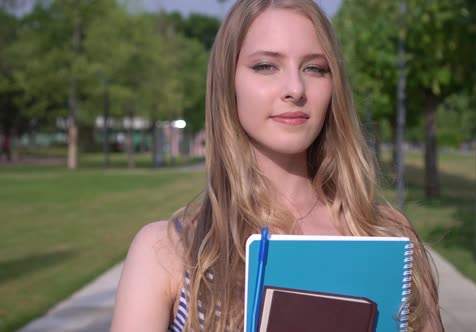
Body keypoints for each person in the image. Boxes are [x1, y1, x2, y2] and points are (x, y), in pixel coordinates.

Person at [111, 0, 444, 331]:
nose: (295, 89)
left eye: (315, 68)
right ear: (229, 83)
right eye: (266, 66)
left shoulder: (388, 237)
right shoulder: (168, 251)